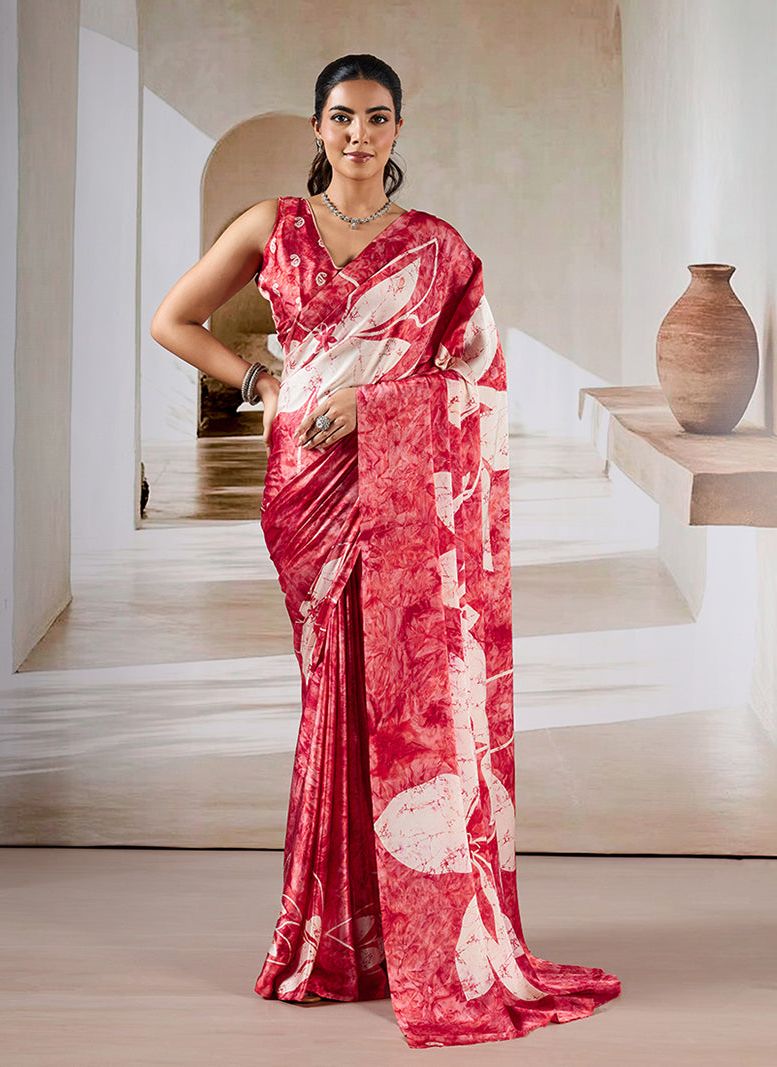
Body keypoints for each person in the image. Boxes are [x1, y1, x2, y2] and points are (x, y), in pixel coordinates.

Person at [150, 53, 621, 1050]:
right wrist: (261, 384)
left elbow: (480, 376)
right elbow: (172, 320)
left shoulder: (438, 248)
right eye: (341, 116)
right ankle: (333, 938)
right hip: (305, 492)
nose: (357, 133)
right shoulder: (271, 224)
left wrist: (375, 405)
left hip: (400, 489)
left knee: (405, 694)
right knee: (332, 697)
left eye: (375, 117)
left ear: (398, 129)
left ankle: (404, 932)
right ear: (317, 128)